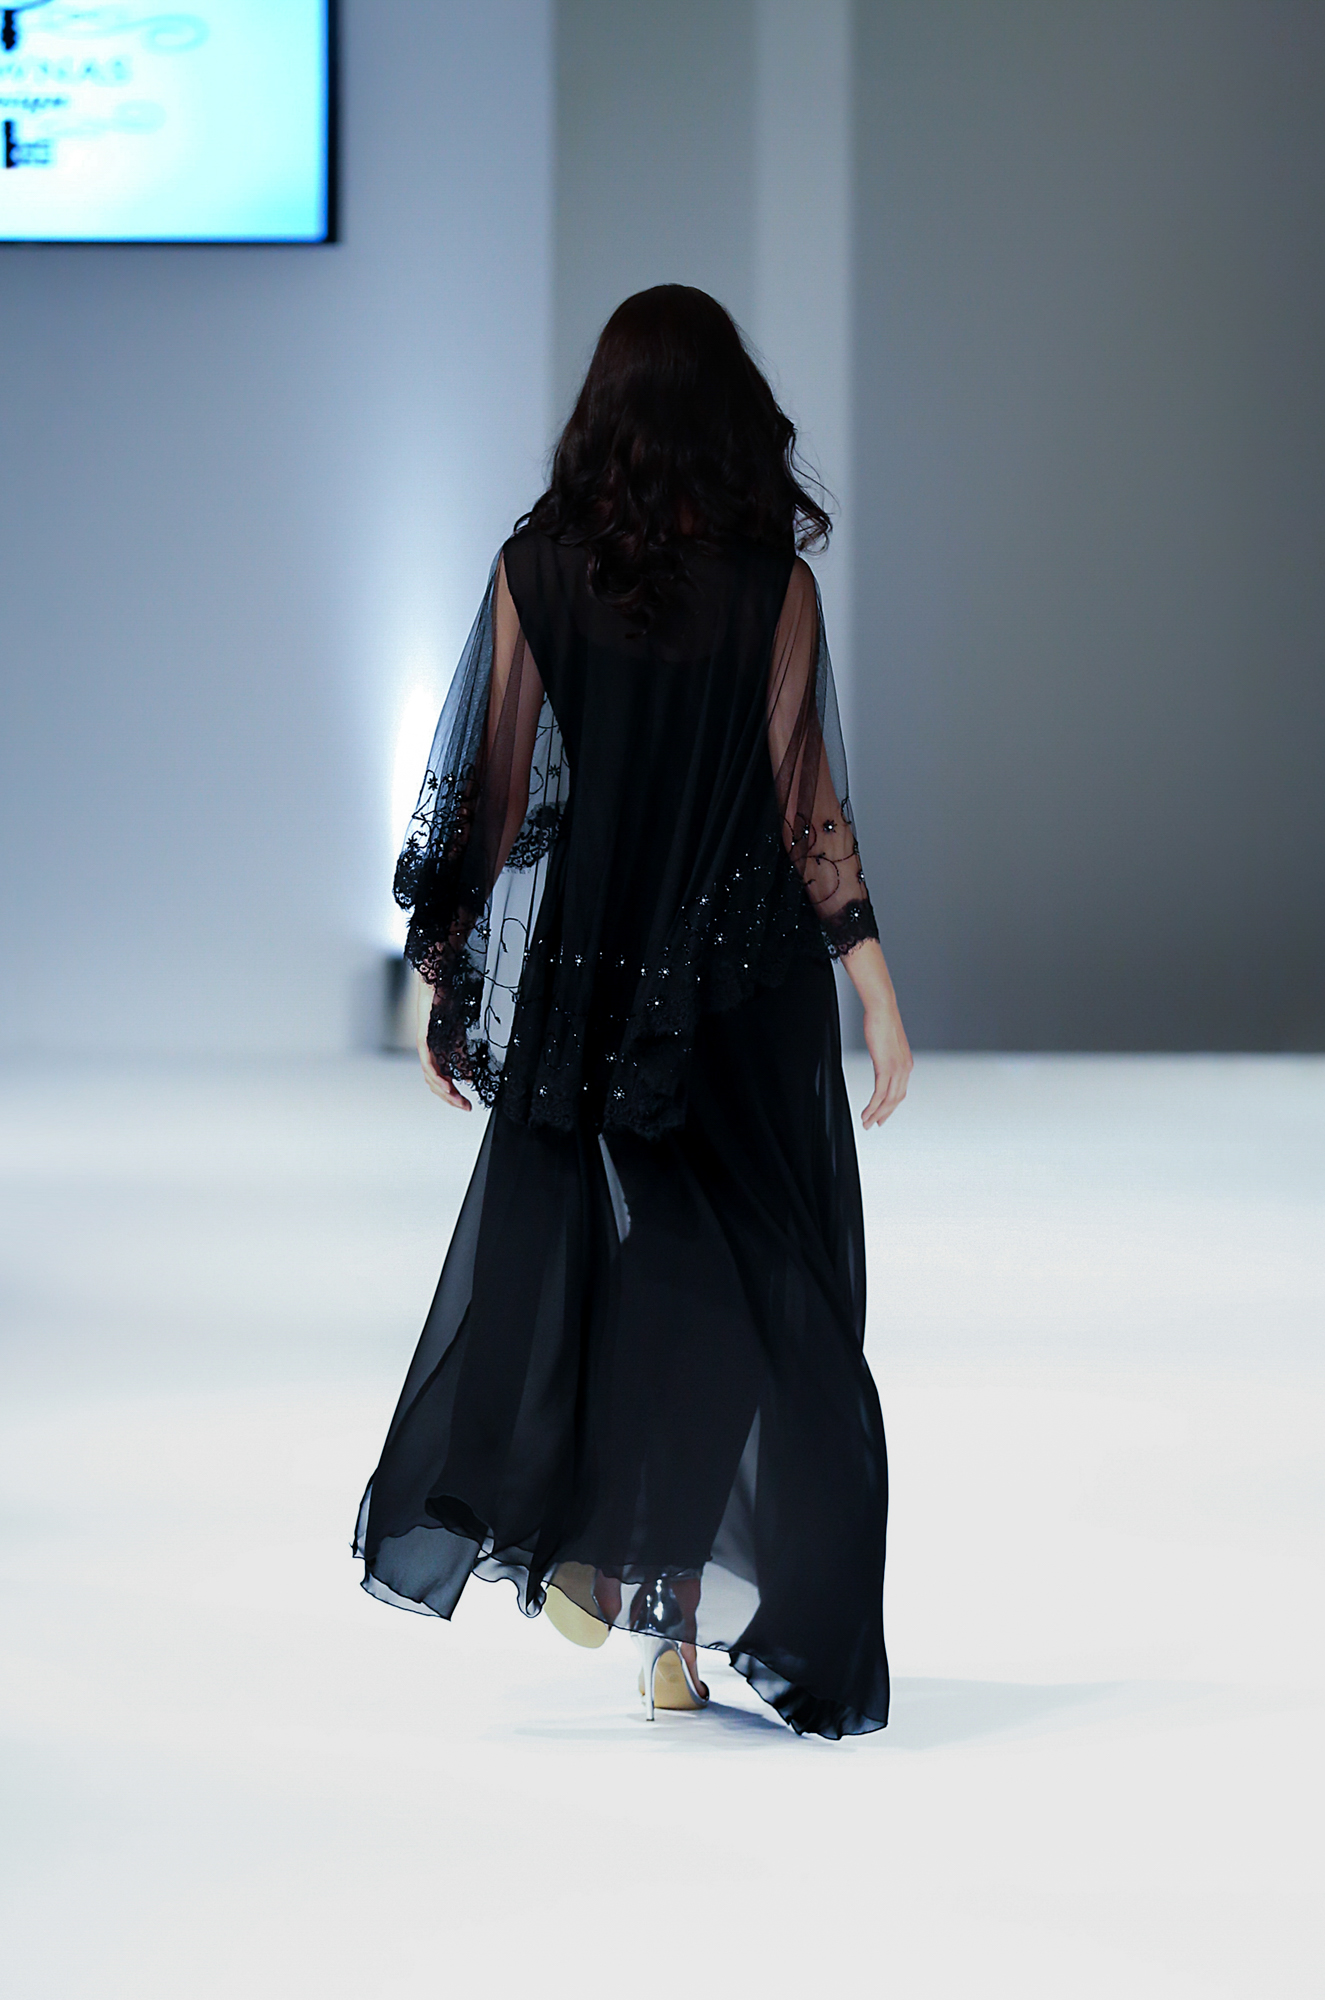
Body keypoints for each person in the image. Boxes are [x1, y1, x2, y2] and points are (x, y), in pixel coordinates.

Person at [354, 285, 912, 1738]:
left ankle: (604, 1560)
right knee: (750, 1292)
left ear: (602, 412)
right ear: (731, 416)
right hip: (741, 987)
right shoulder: (773, 589)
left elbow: (490, 787)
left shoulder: (537, 571)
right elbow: (806, 808)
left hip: (595, 976)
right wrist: (873, 985)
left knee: (603, 1271)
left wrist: (444, 974)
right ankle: (664, 1605)